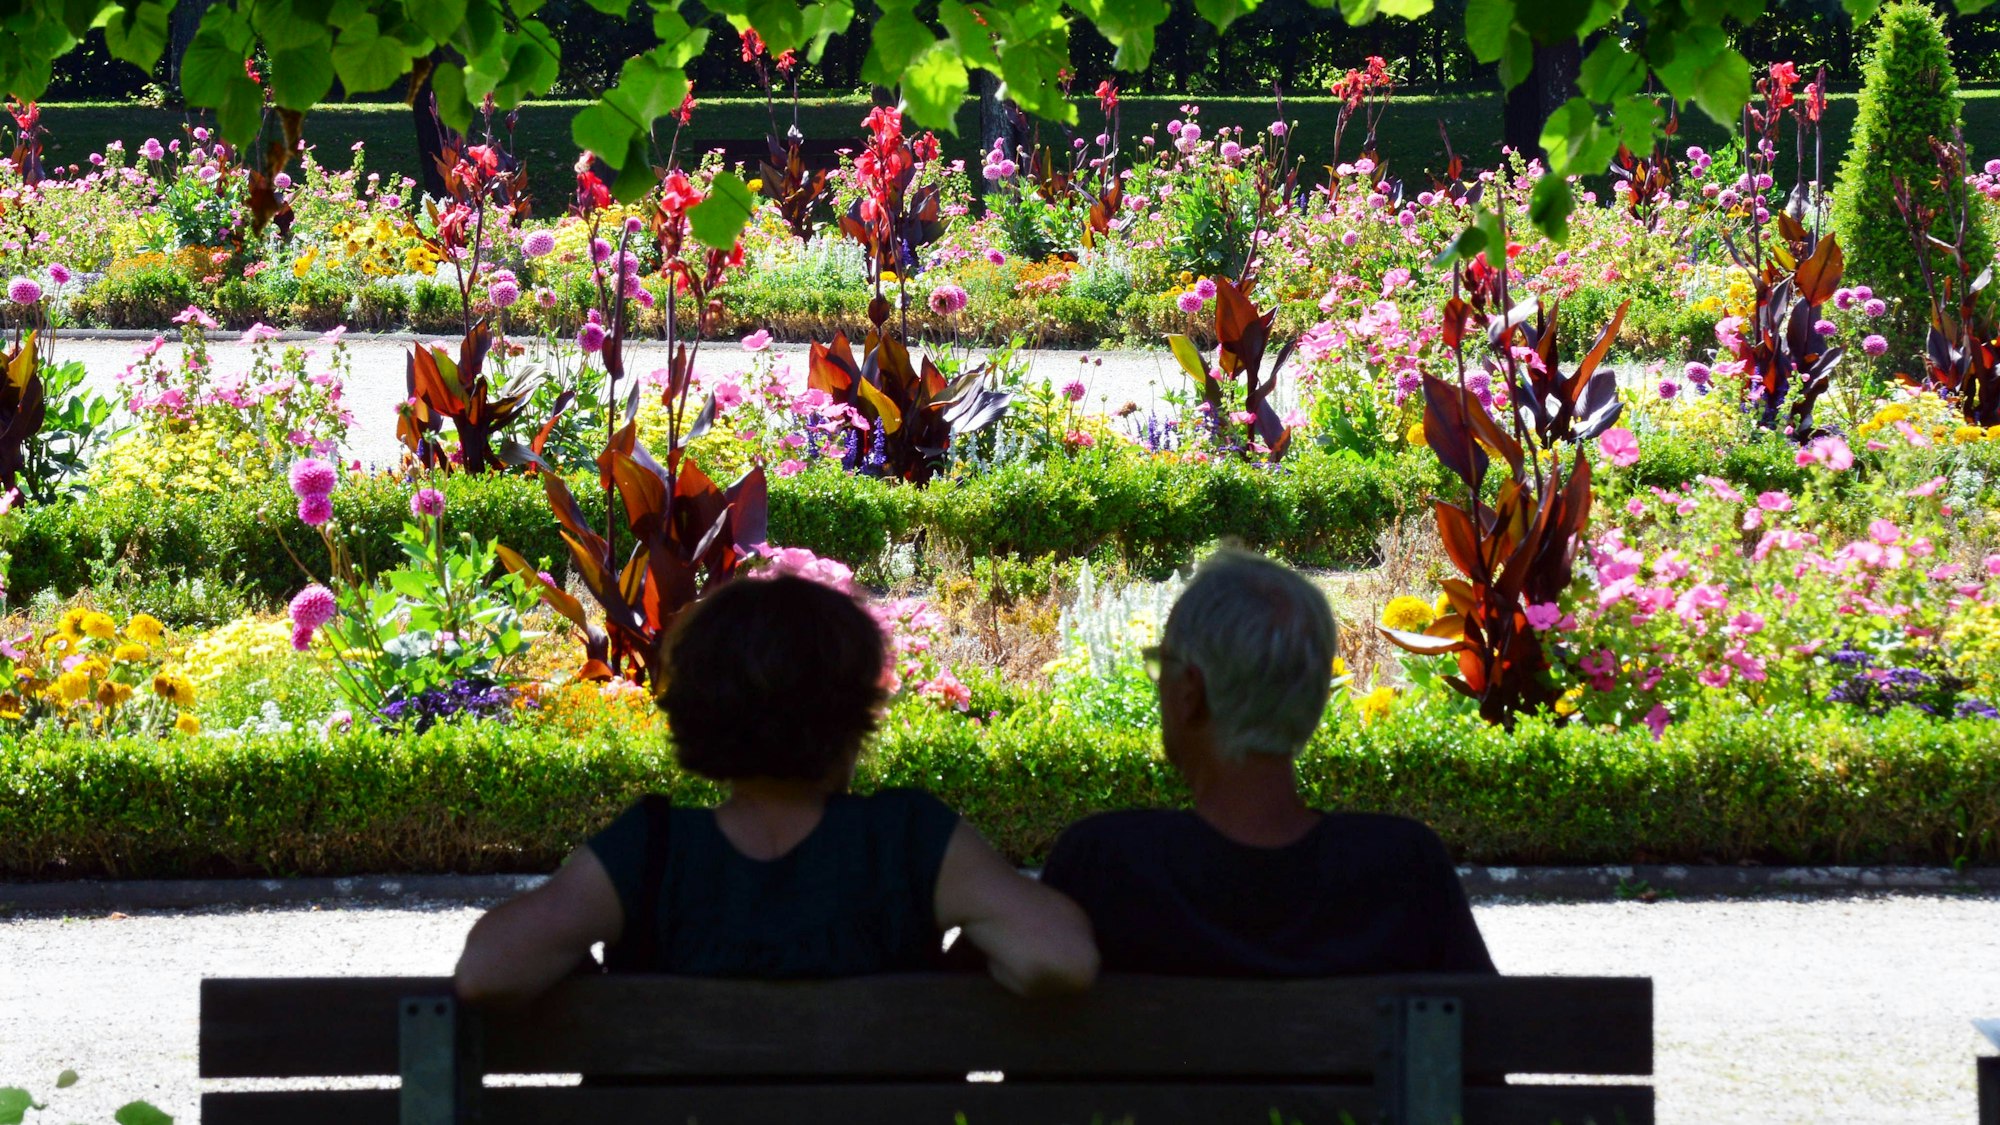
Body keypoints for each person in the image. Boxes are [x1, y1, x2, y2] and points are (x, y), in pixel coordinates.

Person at [454, 574, 1098, 1004]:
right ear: (854, 717)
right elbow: (1058, 960)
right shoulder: (908, 842)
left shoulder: (650, 853)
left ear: (694, 716)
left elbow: (486, 971)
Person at [1041, 548, 1494, 977]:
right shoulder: (1407, 869)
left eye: (1162, 666)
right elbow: (1483, 1045)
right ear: (1315, 698)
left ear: (1189, 692)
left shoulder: (1101, 866)